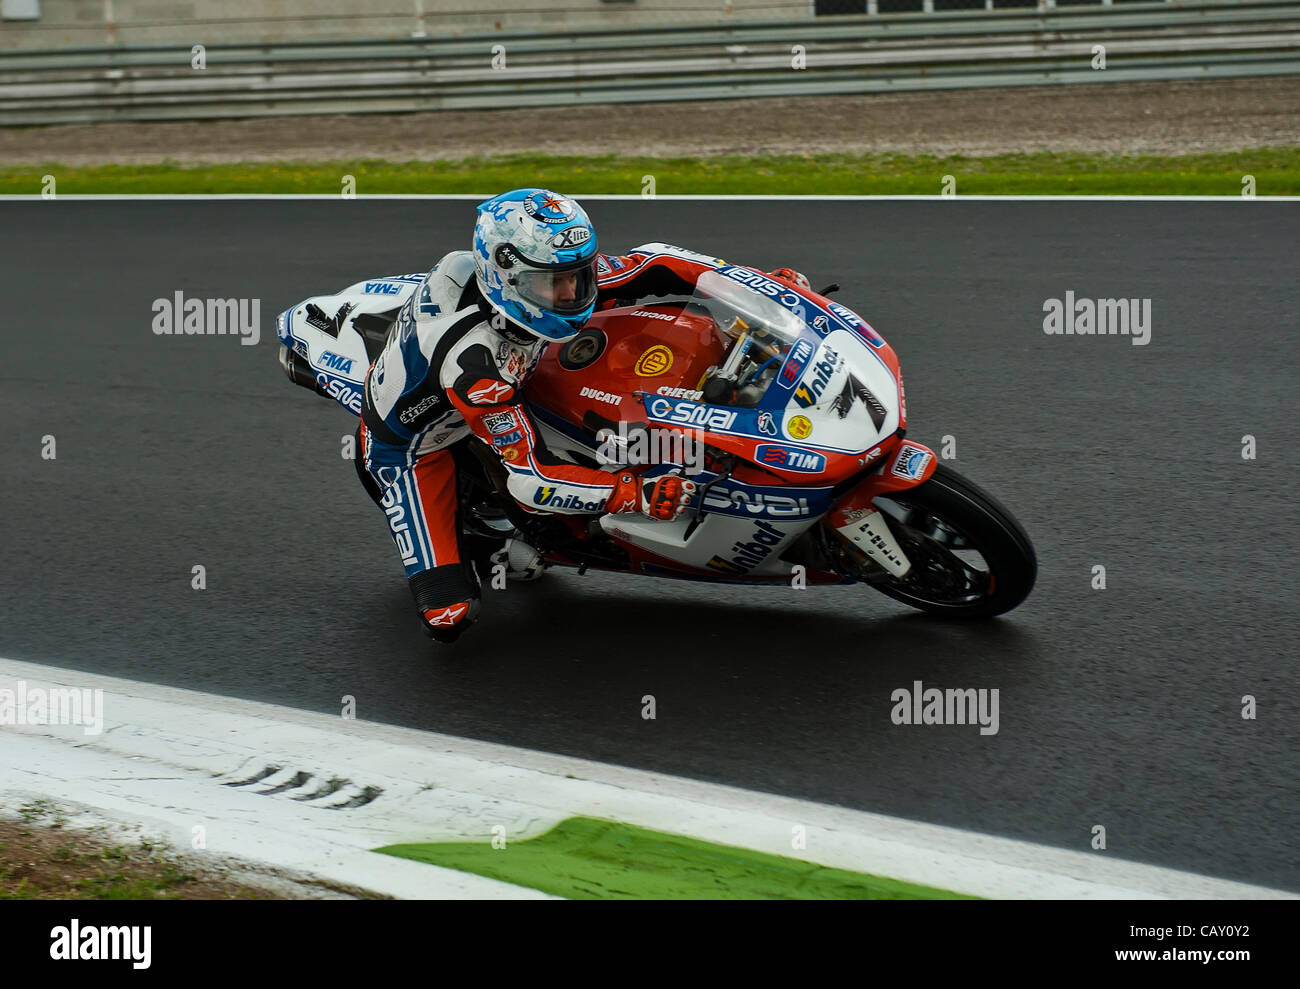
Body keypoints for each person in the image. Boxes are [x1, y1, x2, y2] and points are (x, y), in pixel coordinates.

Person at [357, 187, 809, 642]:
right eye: (554, 283)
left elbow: (653, 261)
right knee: (448, 617)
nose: (572, 293)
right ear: (505, 278)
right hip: (415, 448)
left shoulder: (535, 277)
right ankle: (486, 544)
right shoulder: (477, 368)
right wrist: (634, 493)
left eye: (578, 274)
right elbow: (530, 479)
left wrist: (756, 288)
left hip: (512, 356)